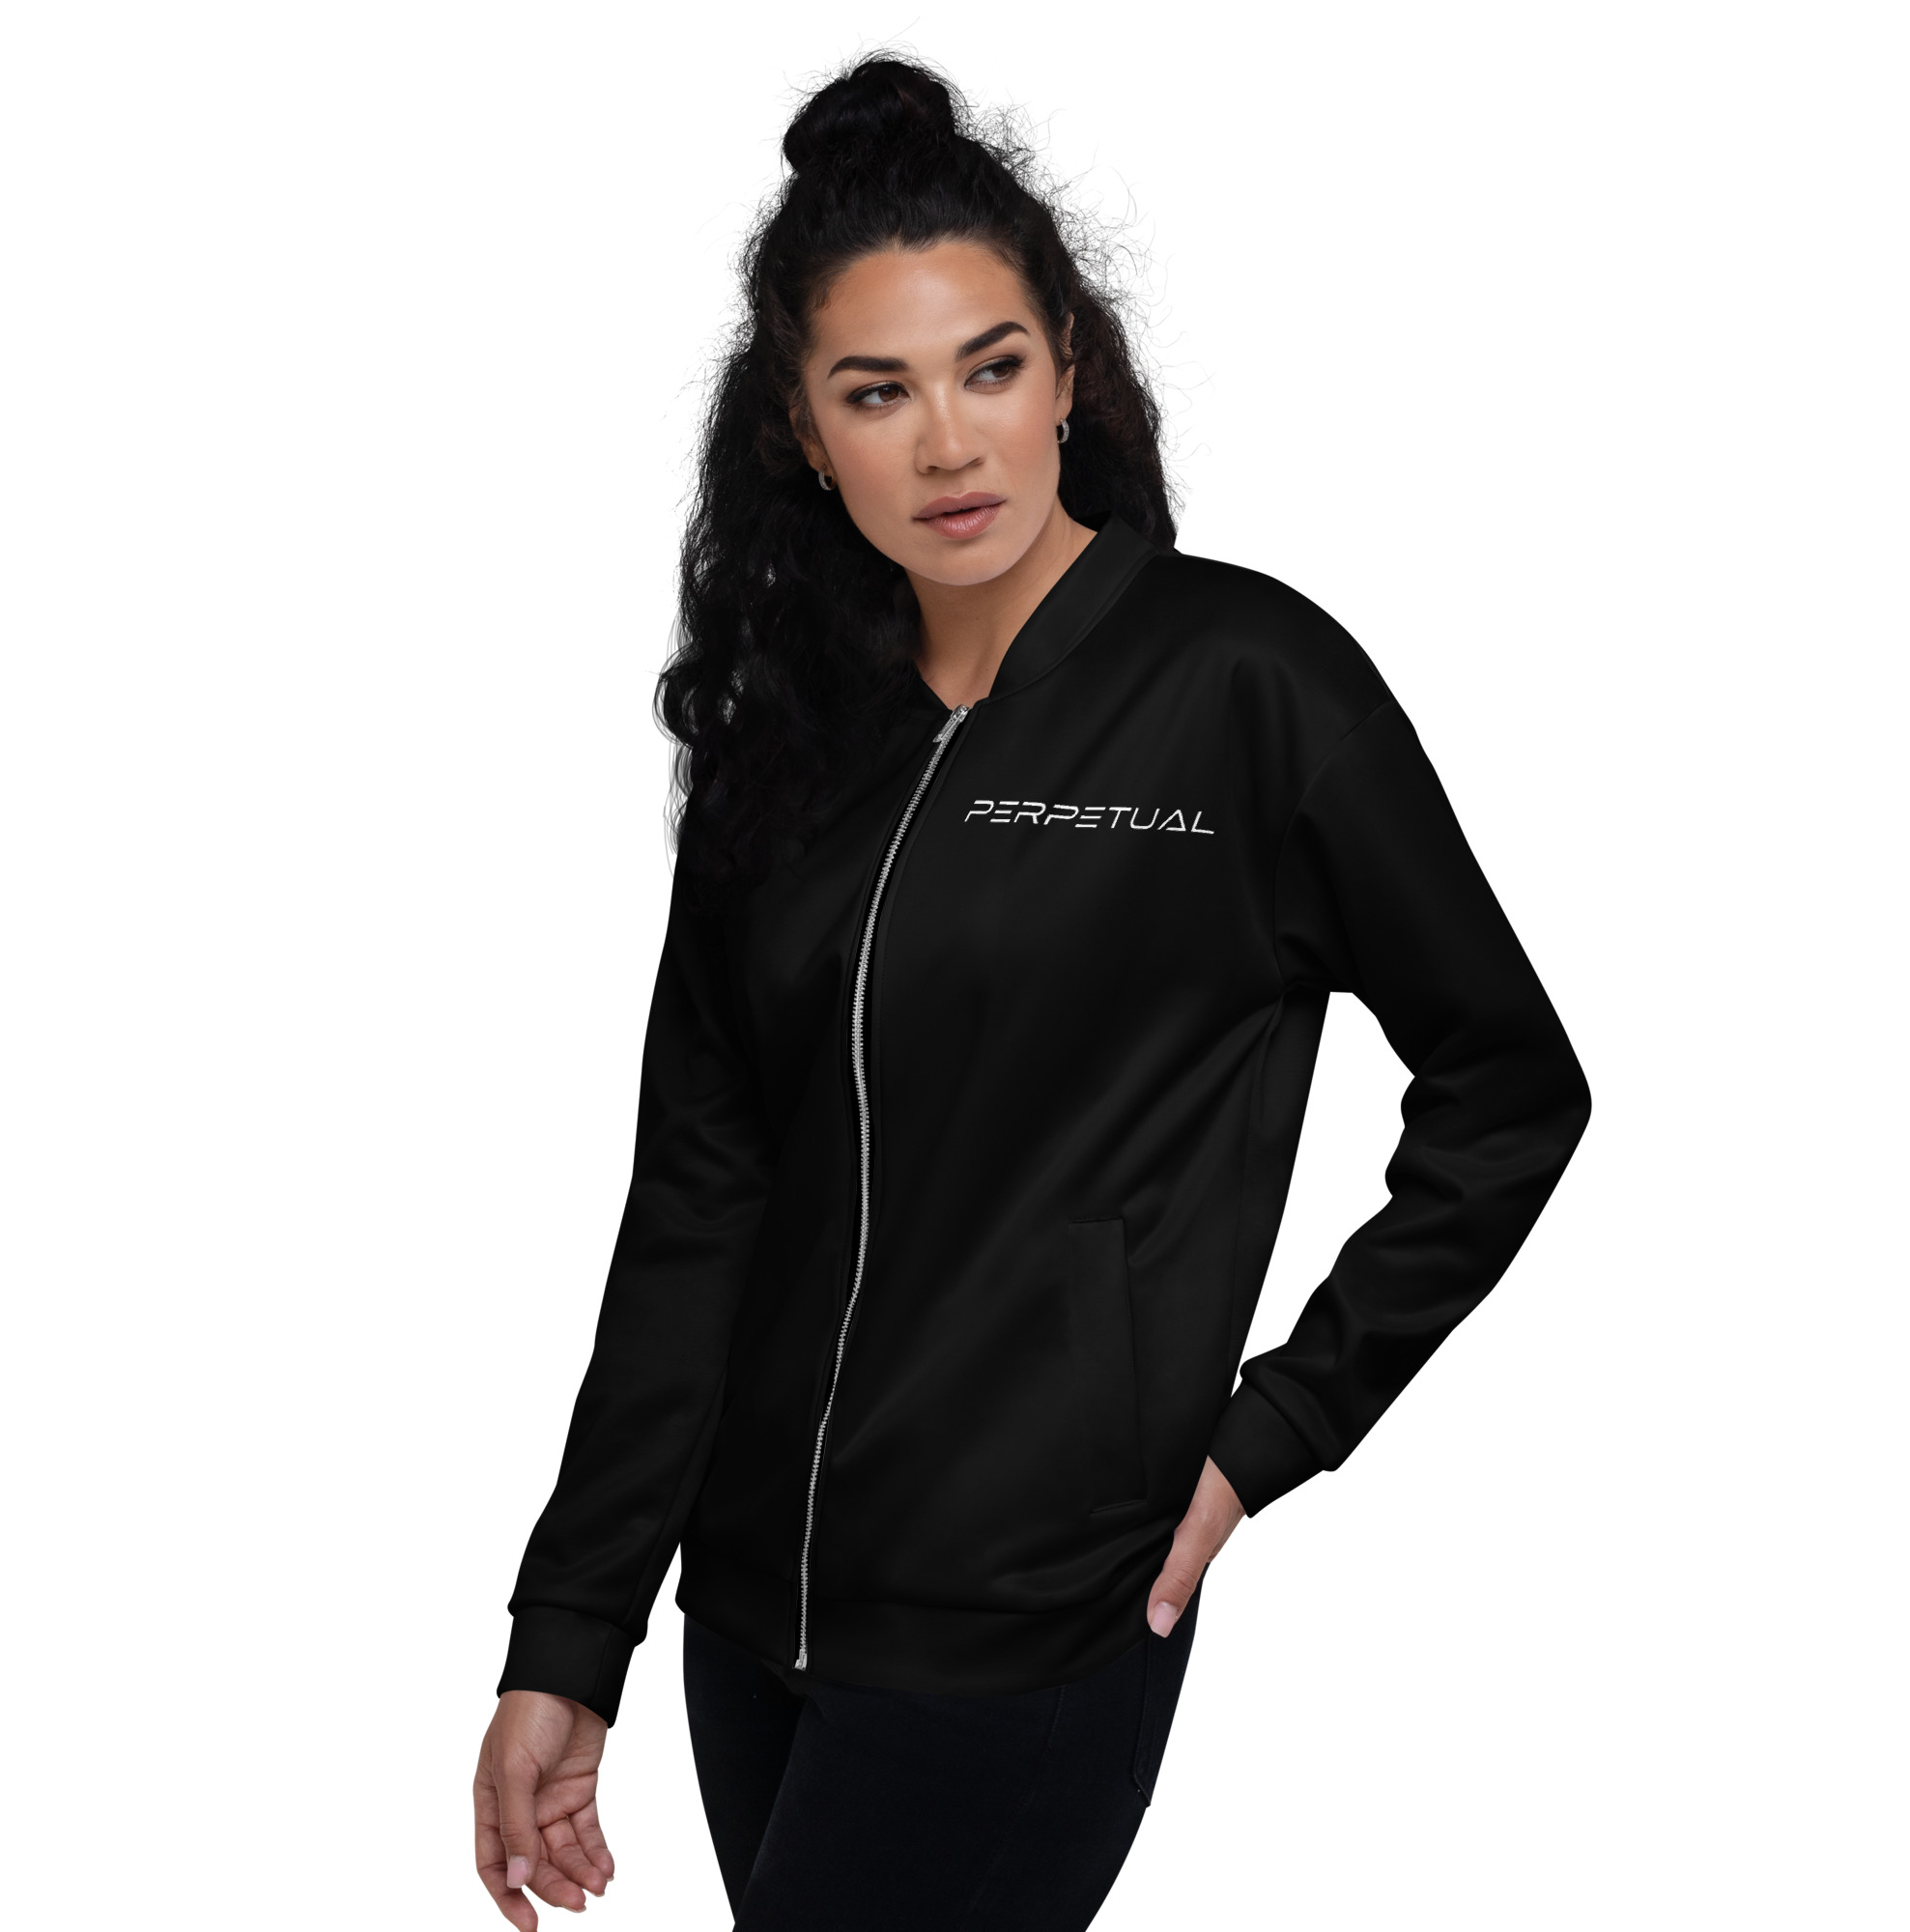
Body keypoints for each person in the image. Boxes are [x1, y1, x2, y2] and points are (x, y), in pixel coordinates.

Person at [471, 54, 1590, 1932]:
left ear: (1068, 368)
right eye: (876, 391)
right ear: (801, 433)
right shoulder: (787, 739)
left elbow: (1509, 1084)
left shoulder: (1246, 689)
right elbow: (697, 1208)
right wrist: (570, 1635)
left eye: (988, 368)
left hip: (1031, 1622)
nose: (947, 443)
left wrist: (1268, 1435)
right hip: (751, 1621)